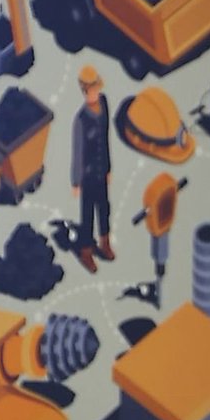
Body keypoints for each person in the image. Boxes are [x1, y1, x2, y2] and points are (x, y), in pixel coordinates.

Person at [70, 65, 115, 272]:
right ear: (84, 91)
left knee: (104, 208)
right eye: (91, 90)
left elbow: (106, 139)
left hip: (101, 170)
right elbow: (77, 152)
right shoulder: (81, 120)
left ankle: (105, 242)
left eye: (96, 89)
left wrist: (108, 167)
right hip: (87, 176)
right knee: (87, 214)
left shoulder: (104, 104)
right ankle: (86, 251)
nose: (95, 93)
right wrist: (76, 181)